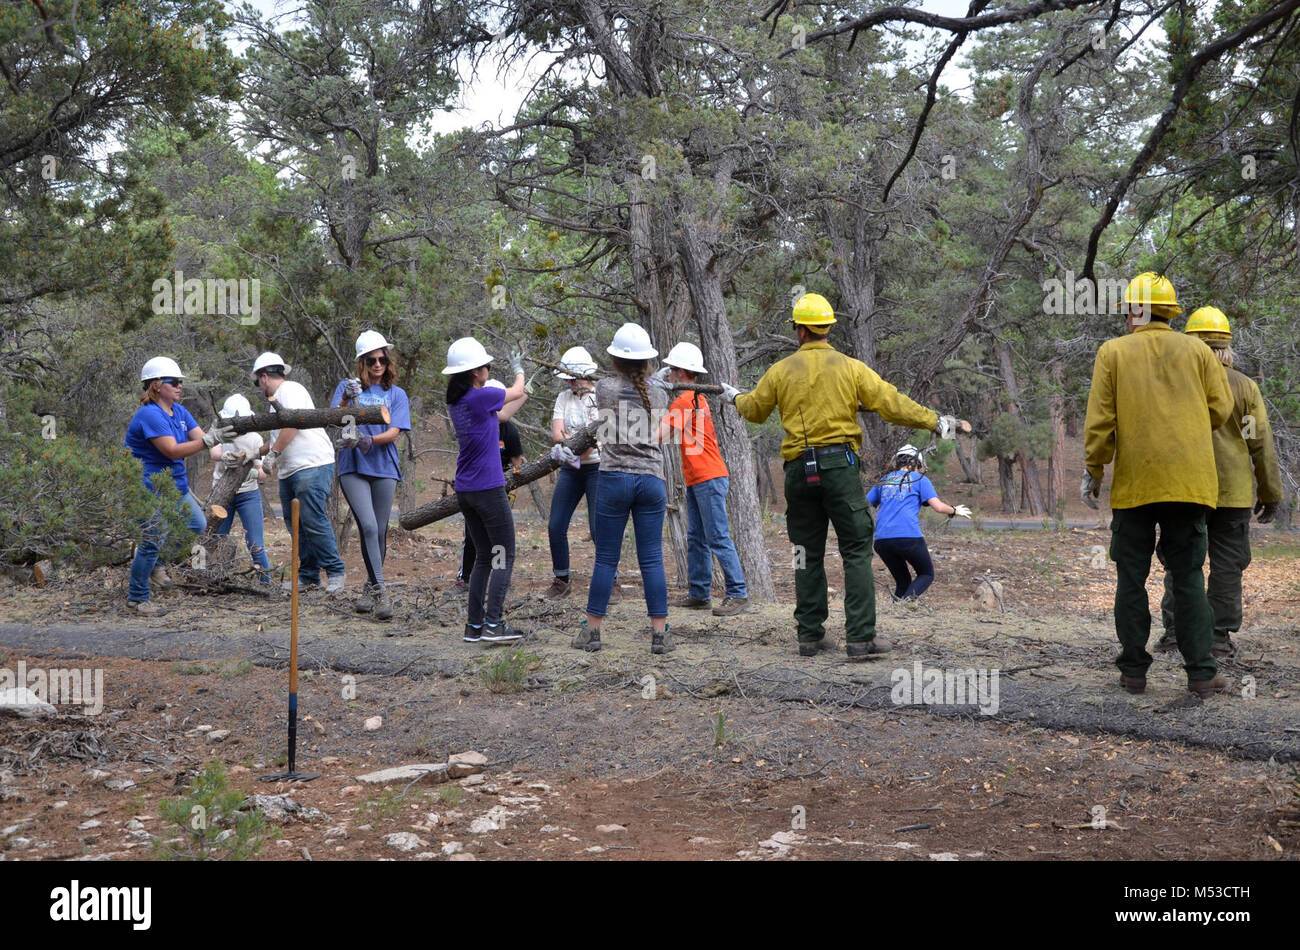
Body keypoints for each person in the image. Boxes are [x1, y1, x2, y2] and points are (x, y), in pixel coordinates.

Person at [722, 292, 959, 659]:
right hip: (839, 468)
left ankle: (810, 635)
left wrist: (735, 398)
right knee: (855, 551)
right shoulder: (850, 368)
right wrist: (934, 420)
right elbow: (891, 403)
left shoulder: (781, 371)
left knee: (804, 552)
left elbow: (754, 410)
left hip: (799, 473)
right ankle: (861, 638)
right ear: (828, 328)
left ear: (799, 330)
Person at [1082, 273, 1234, 697]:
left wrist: (1094, 469)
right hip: (1190, 484)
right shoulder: (1199, 352)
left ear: (1134, 311)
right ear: (1170, 311)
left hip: (1136, 486)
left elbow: (1100, 424)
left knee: (1131, 577)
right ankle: (1202, 675)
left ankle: (1133, 673)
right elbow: (1221, 410)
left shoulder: (1112, 352)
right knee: (1187, 576)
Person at [1155, 306, 1283, 658]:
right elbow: (1259, 442)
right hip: (1233, 494)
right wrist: (1271, 493)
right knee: (1227, 566)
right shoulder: (1245, 387)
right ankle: (1217, 639)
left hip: (1184, 490)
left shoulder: (1176, 386)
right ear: (1228, 347)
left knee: (1182, 562)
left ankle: (1173, 635)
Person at [571, 323, 672, 654]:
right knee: (652, 559)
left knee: (606, 559)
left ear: (615, 358)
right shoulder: (660, 393)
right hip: (651, 480)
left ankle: (592, 632)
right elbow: (653, 390)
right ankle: (660, 634)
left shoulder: (603, 388)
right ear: (647, 361)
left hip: (614, 478)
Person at [124, 357, 234, 614]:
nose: (179, 387)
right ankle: (137, 599)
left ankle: (156, 564)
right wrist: (209, 441)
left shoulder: (180, 412)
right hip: (147, 488)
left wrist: (225, 448)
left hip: (174, 486)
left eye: (180, 382)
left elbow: (205, 441)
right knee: (151, 540)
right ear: (156, 385)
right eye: (173, 382)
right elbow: (173, 451)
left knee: (197, 524)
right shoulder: (149, 414)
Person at [443, 337, 528, 643]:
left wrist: (525, 389)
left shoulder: (459, 400)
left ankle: (475, 626)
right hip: (488, 487)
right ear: (474, 371)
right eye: (486, 366)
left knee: (483, 557)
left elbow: (504, 414)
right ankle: (493, 624)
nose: (489, 370)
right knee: (504, 553)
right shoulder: (481, 397)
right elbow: (514, 391)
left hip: (466, 488)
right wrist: (519, 370)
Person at [655, 341, 749, 616]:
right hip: (700, 477)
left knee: (717, 536)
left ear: (681, 372)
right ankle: (699, 593)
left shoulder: (686, 400)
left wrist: (656, 394)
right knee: (696, 536)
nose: (668, 374)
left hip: (708, 477)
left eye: (670, 369)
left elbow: (659, 435)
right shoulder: (695, 398)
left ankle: (738, 593)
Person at [330, 331, 412, 620]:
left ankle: (368, 588)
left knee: (379, 531)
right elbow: (334, 419)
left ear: (388, 361)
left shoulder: (396, 394)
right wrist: (345, 399)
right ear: (362, 363)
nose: (377, 364)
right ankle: (382, 592)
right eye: (371, 360)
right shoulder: (348, 387)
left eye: (382, 359)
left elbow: (394, 432)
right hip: (353, 465)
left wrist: (368, 441)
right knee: (367, 527)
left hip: (384, 466)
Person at [252, 352, 347, 593]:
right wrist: (255, 453)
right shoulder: (278, 399)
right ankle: (308, 575)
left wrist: (272, 454)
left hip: (311, 464)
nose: (258, 387)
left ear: (264, 377)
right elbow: (278, 436)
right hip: (291, 469)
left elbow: (293, 424)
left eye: (257, 382)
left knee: (312, 519)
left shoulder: (289, 390)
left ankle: (335, 572)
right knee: (297, 525)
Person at [545, 346, 618, 601]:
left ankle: (611, 581)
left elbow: (595, 438)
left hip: (598, 467)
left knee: (599, 528)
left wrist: (573, 448)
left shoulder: (599, 397)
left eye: (571, 377)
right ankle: (561, 579)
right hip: (571, 469)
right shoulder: (563, 398)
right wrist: (571, 447)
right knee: (556, 525)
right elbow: (557, 433)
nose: (569, 382)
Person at [866, 444, 971, 601]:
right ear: (916, 463)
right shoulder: (920, 479)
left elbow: (864, 504)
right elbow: (938, 507)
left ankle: (897, 612)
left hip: (882, 540)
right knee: (926, 573)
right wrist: (954, 510)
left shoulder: (884, 480)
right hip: (908, 537)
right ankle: (905, 606)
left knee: (903, 582)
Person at [457, 379, 526, 589]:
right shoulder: (473, 422)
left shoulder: (509, 431)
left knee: (499, 539)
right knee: (471, 536)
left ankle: (498, 578)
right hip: (476, 487)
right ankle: (464, 576)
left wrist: (510, 488)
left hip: (499, 488)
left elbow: (518, 465)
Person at [207, 394, 272, 585]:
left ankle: (267, 583)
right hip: (221, 494)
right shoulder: (222, 431)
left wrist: (250, 473)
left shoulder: (255, 438)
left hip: (248, 494)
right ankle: (202, 577)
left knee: (256, 545)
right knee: (210, 540)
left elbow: (263, 473)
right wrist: (226, 455)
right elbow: (213, 452)